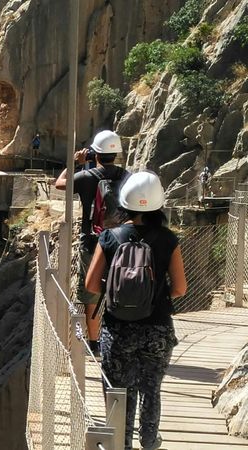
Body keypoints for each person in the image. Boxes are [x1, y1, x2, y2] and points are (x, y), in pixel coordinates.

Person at [85, 171, 186, 450]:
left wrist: (118, 291)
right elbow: (180, 288)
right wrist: (155, 295)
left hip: (118, 328)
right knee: (151, 388)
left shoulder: (109, 237)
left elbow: (91, 285)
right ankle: (149, 440)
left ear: (124, 202)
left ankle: (122, 442)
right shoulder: (168, 239)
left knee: (120, 390)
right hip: (158, 329)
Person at [55, 130, 128, 354]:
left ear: (95, 154)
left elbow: (59, 184)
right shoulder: (127, 177)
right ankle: (119, 337)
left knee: (91, 292)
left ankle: (95, 343)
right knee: (121, 287)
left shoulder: (87, 177)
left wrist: (75, 163)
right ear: (116, 154)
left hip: (92, 241)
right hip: (122, 241)